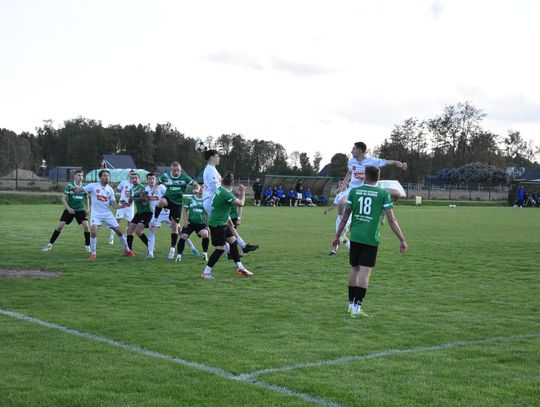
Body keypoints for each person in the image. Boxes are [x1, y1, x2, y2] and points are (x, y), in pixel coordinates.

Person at [333, 166, 407, 318]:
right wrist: (402, 240)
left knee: (354, 269)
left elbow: (345, 218)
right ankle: (357, 308)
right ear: (378, 178)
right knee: (365, 272)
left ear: (365, 177)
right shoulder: (383, 193)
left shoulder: (354, 192)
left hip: (355, 236)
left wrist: (337, 236)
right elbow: (392, 220)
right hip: (370, 238)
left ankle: (350, 305)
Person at [202, 149, 258, 254]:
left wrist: (231, 192)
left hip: (214, 201)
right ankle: (231, 250)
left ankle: (243, 246)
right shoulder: (210, 170)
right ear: (211, 157)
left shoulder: (212, 169)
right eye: (217, 156)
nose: (219, 158)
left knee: (230, 225)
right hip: (212, 202)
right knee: (224, 227)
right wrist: (228, 197)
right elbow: (216, 188)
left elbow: (220, 187)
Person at [201, 172, 253, 280]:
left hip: (222, 222)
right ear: (232, 184)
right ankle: (206, 273)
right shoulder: (226, 193)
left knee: (233, 242)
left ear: (222, 181)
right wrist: (243, 192)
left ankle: (240, 268)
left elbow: (221, 206)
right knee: (220, 249)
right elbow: (241, 203)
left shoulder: (220, 189)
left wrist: (228, 220)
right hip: (217, 224)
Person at [76, 169, 134, 259]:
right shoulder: (93, 186)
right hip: (96, 213)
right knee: (93, 230)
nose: (107, 177)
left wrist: (121, 206)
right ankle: (93, 253)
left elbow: (114, 204)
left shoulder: (110, 190)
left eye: (108, 176)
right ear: (100, 177)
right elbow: (81, 189)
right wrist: (74, 189)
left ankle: (128, 250)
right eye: (104, 176)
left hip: (107, 213)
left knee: (119, 231)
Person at [151, 162, 200, 260]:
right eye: (174, 170)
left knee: (175, 228)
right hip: (168, 199)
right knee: (161, 201)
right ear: (171, 170)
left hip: (177, 204)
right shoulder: (166, 176)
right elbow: (157, 182)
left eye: (178, 170)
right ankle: (155, 219)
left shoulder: (184, 177)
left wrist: (197, 190)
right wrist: (154, 189)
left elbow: (197, 185)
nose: (177, 172)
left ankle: (172, 249)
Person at [42, 170, 91, 253]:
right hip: (70, 209)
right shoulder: (69, 186)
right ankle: (50, 244)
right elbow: (63, 198)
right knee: (60, 226)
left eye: (82, 175)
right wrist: (68, 208)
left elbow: (87, 198)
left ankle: (88, 247)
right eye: (78, 175)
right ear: (74, 176)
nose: (80, 177)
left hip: (80, 209)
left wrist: (88, 209)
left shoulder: (84, 187)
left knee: (86, 226)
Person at [176, 188, 210, 262]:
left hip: (201, 224)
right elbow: (185, 210)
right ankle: (179, 255)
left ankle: (205, 254)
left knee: (205, 234)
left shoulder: (206, 200)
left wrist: (207, 226)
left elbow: (207, 213)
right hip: (190, 223)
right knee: (183, 236)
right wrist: (185, 221)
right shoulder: (190, 198)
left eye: (203, 188)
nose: (201, 189)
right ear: (198, 189)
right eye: (200, 187)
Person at [144, 172, 170, 259]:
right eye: (149, 179)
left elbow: (168, 196)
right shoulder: (146, 189)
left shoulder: (161, 187)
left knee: (179, 230)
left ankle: (193, 248)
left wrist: (167, 207)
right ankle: (150, 254)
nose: (151, 180)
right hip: (156, 215)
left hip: (167, 213)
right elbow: (145, 203)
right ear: (147, 180)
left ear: (156, 180)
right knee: (151, 231)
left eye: (153, 178)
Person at [109, 170, 136, 245]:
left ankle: (127, 237)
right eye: (131, 174)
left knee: (130, 223)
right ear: (129, 175)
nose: (132, 176)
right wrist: (111, 194)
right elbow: (117, 189)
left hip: (130, 206)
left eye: (134, 175)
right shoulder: (124, 182)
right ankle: (111, 237)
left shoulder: (136, 185)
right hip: (122, 205)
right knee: (117, 221)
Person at [125, 172, 151, 253]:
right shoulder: (131, 189)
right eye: (132, 178)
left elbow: (145, 199)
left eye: (136, 178)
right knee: (129, 229)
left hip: (147, 212)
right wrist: (126, 203)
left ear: (139, 179)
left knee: (138, 231)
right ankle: (129, 251)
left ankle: (150, 247)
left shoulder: (142, 187)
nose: (134, 179)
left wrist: (133, 198)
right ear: (130, 180)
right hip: (139, 213)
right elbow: (130, 202)